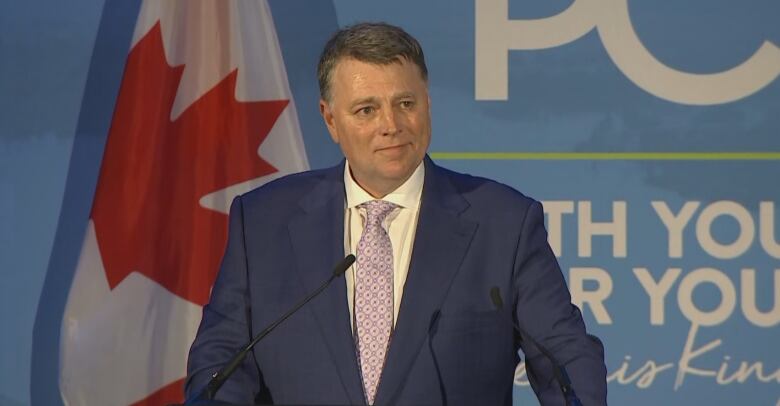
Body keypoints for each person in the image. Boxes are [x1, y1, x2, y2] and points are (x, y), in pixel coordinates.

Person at [185, 22, 607, 405]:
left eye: (405, 103)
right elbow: (222, 365)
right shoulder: (262, 222)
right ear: (330, 120)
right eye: (366, 110)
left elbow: (566, 358)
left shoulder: (504, 223)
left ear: (427, 103)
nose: (391, 124)